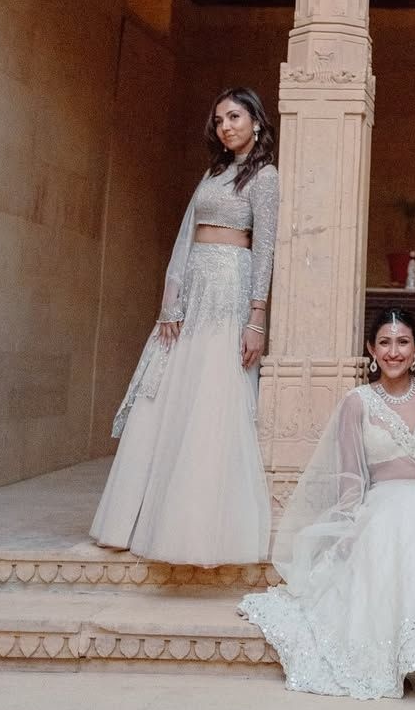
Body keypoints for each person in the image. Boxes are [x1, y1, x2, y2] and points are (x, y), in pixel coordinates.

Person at [240, 306, 415, 699]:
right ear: (371, 349)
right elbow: (350, 476)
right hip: (384, 504)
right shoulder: (357, 401)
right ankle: (401, 657)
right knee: (395, 529)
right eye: (385, 343)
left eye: (403, 342)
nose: (394, 352)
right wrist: (347, 527)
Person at [90, 86, 278, 566]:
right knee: (168, 392)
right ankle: (131, 521)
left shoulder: (266, 177)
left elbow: (266, 250)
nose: (225, 127)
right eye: (218, 120)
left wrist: (256, 317)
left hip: (230, 288)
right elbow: (185, 237)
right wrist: (170, 303)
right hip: (194, 287)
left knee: (212, 397)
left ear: (256, 120)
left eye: (234, 117)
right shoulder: (214, 172)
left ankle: (195, 528)